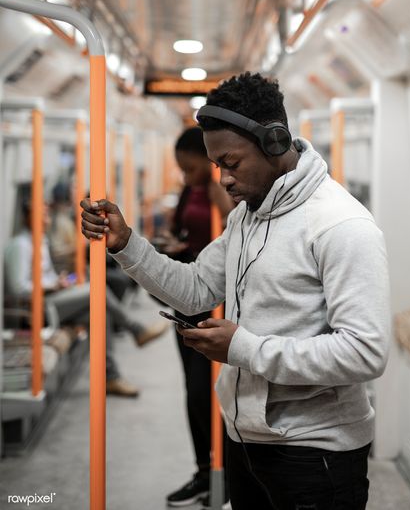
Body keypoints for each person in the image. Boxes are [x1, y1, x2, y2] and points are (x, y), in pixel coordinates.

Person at [81, 72, 390, 510]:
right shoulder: (247, 216)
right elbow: (194, 290)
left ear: (275, 143)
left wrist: (242, 347)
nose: (223, 179)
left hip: (316, 453)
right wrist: (126, 243)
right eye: (217, 166)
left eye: (232, 163)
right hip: (244, 438)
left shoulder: (342, 227)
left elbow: (365, 352)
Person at [4, 200, 168, 398]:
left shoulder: (40, 240)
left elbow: (44, 276)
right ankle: (136, 329)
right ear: (27, 217)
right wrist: (52, 286)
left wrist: (60, 281)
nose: (46, 217)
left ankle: (111, 377)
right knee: (96, 289)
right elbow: (19, 288)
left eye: (47, 213)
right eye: (41, 213)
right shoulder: (21, 245)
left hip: (54, 299)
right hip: (38, 308)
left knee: (99, 313)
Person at [159, 127, 233, 508]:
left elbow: (235, 227)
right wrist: (175, 244)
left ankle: (222, 470)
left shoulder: (226, 189)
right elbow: (180, 228)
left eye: (191, 168)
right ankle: (203, 469)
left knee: (208, 390)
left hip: (216, 300)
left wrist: (216, 182)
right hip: (187, 293)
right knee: (193, 391)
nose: (186, 177)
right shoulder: (191, 190)